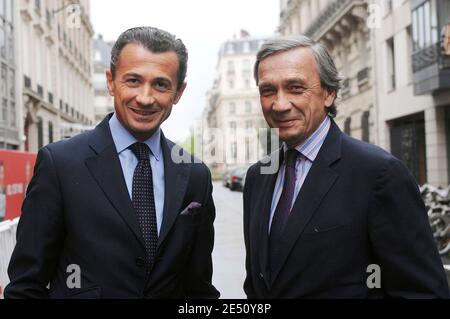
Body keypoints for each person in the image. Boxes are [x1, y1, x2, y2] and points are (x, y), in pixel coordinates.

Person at [5, 27, 219, 299]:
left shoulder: (196, 175)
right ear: (110, 81)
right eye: (133, 81)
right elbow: (26, 287)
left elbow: (199, 289)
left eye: (161, 84)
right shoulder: (60, 164)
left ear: (178, 92)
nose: (145, 97)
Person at [243, 35, 450, 298]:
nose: (280, 104)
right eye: (268, 90)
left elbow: (423, 293)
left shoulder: (379, 174)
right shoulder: (258, 177)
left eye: (295, 88)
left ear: (329, 93)